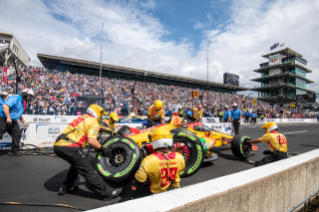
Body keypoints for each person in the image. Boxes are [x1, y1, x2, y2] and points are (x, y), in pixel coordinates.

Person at [53, 104, 122, 201]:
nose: (101, 118)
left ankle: (65, 187)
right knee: (88, 171)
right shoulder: (93, 121)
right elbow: (92, 141)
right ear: (97, 113)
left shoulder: (81, 118)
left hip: (58, 145)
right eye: (101, 116)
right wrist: (103, 149)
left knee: (76, 165)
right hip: (70, 147)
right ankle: (108, 193)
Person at [132, 128, 185, 199]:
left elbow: (139, 181)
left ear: (155, 142)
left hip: (156, 194)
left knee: (135, 191)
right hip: (175, 190)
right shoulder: (180, 157)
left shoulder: (148, 160)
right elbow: (181, 170)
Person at [0, 88, 33, 156]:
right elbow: (5, 106)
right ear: (26, 95)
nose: (30, 98)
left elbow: (18, 113)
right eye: (30, 96)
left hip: (12, 121)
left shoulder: (22, 102)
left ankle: (14, 150)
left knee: (17, 134)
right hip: (4, 118)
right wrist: (8, 117)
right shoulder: (15, 98)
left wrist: (23, 121)